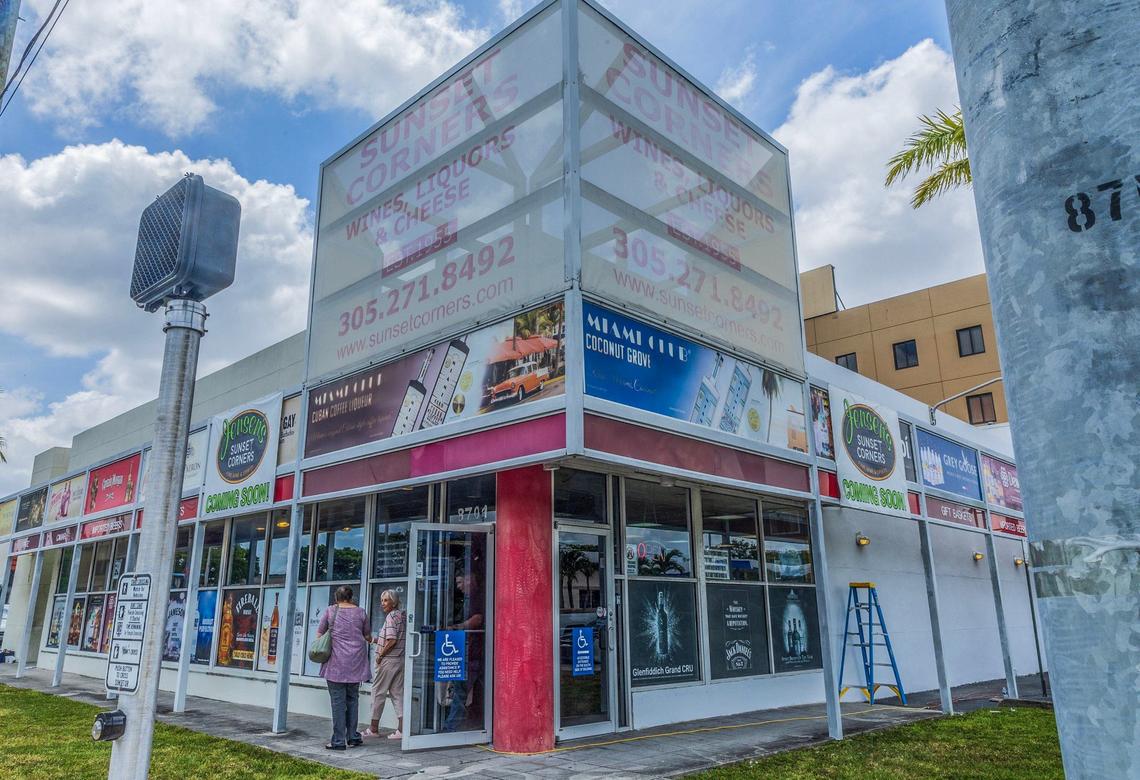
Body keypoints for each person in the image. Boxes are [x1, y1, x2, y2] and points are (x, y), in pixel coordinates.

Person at [316, 585, 371, 750]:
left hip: (336, 664)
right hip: (356, 663)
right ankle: (353, 737)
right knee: (353, 700)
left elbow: (319, 634)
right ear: (351, 597)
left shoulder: (330, 611)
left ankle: (338, 741)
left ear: (336, 598)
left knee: (338, 703)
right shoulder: (361, 612)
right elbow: (367, 636)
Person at [442, 567, 484, 732]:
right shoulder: (468, 598)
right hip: (472, 650)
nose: (458, 586)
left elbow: (477, 619)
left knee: (460, 691)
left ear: (469, 579)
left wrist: (458, 627)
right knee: (468, 689)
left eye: (460, 582)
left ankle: (451, 728)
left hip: (473, 651)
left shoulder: (476, 598)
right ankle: (471, 723)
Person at [363, 589, 406, 740]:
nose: (383, 604)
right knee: (397, 694)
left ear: (393, 602)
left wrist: (380, 656)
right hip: (399, 660)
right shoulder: (401, 616)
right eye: (382, 600)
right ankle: (402, 729)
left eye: (386, 600)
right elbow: (391, 639)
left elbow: (392, 640)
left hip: (388, 660)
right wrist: (373, 640)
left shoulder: (391, 617)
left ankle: (373, 729)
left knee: (378, 693)